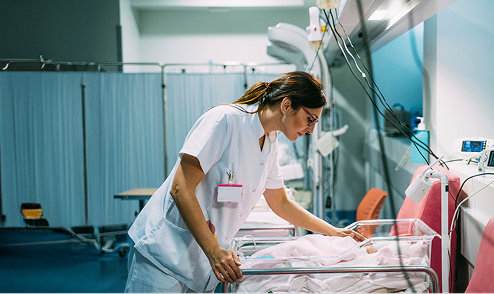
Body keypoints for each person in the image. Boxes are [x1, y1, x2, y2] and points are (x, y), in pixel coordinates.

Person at [126, 71, 366, 293]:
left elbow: (280, 202)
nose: (312, 130)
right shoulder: (224, 121)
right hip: (164, 256)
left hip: (200, 263)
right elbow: (181, 188)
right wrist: (214, 250)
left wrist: (334, 232)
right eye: (310, 119)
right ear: (286, 105)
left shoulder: (269, 142)